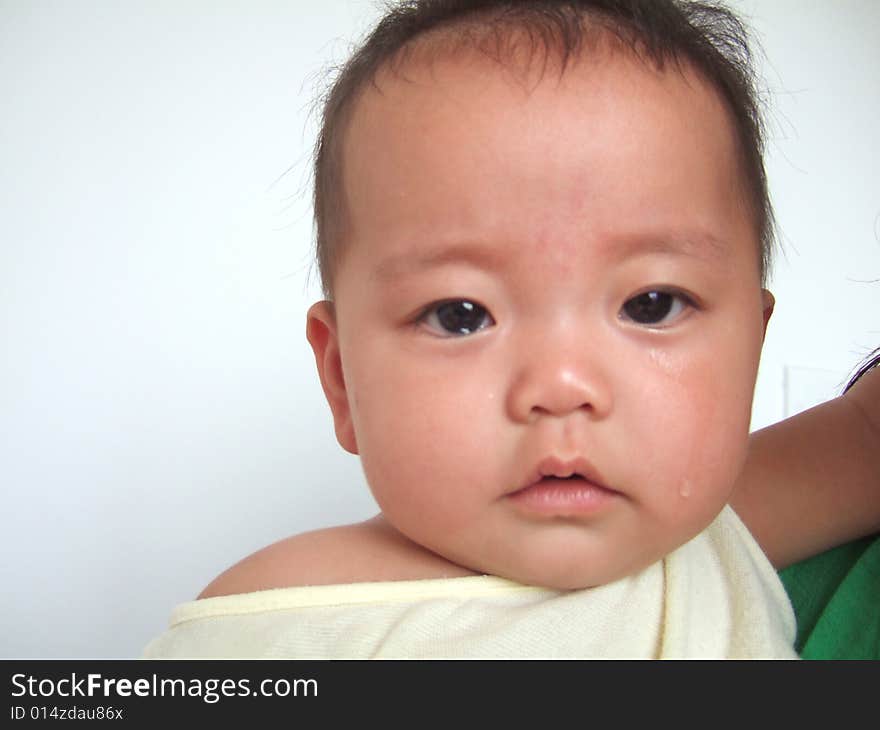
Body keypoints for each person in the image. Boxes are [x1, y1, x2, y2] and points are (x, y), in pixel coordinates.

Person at [143, 0, 879, 658]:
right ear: (342, 380)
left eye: (651, 304)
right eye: (459, 316)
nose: (560, 387)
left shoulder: (713, 535)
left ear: (753, 344)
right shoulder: (283, 622)